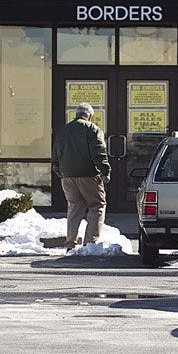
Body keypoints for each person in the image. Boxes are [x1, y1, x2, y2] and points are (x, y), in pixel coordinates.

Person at [52, 102, 110, 251]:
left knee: (74, 207)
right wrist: (105, 171)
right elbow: (99, 153)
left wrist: (61, 173)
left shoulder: (63, 131)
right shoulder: (93, 129)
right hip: (88, 175)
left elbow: (55, 157)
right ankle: (90, 243)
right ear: (89, 116)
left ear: (76, 114)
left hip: (67, 176)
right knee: (97, 205)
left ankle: (70, 243)